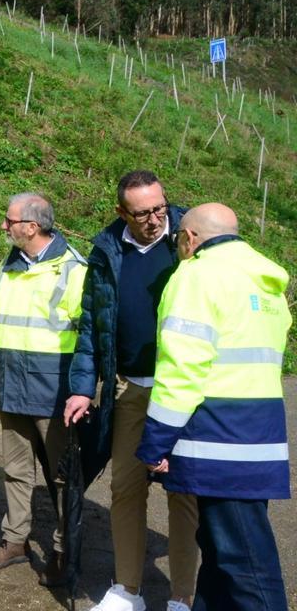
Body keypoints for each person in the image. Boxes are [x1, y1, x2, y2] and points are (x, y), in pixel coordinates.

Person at [136, 203, 291, 611]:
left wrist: (155, 444)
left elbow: (181, 370)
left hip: (217, 441)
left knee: (246, 567)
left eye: (178, 239)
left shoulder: (197, 276)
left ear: (189, 238)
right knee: (221, 560)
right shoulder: (264, 281)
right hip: (257, 438)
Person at [64, 170, 197, 611]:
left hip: (182, 389)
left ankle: (182, 597)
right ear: (122, 212)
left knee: (183, 491)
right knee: (125, 487)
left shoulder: (191, 240)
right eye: (142, 214)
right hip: (130, 388)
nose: (155, 220)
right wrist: (83, 388)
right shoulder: (106, 251)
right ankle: (128, 589)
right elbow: (91, 324)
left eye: (160, 208)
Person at [0, 193, 86, 587]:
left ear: (32, 226)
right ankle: (15, 541)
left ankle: (63, 549)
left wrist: (83, 389)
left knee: (62, 475)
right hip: (11, 382)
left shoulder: (74, 269)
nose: (3, 226)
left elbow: (88, 338)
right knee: (15, 470)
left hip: (54, 390)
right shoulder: (7, 266)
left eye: (9, 221)